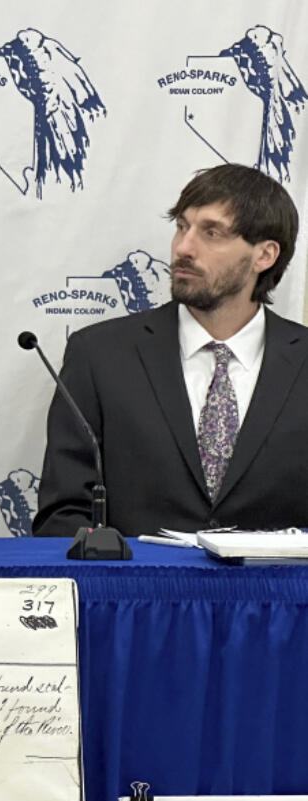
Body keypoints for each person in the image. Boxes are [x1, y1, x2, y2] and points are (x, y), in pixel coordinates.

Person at [34, 163, 306, 536]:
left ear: (265, 256)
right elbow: (62, 515)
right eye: (182, 227)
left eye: (212, 232)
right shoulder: (99, 355)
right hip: (132, 592)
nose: (184, 248)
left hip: (277, 593)